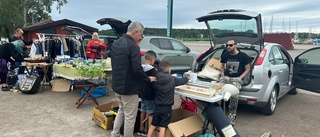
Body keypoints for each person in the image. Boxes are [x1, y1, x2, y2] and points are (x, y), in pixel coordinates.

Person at [110, 22, 156, 137]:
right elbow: (137, 68)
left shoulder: (116, 44)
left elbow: (114, 64)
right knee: (130, 117)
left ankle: (115, 134)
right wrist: (147, 79)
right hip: (129, 88)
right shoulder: (133, 46)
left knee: (121, 110)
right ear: (135, 32)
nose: (140, 37)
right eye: (140, 34)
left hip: (116, 85)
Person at [147, 60, 189, 137]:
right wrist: (187, 77)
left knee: (153, 124)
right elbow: (182, 80)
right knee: (163, 127)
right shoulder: (172, 79)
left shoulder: (156, 79)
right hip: (167, 108)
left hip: (157, 106)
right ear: (169, 70)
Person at [219, 39, 251, 125]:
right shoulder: (225, 55)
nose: (228, 47)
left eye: (230, 45)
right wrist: (222, 75)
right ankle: (217, 113)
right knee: (217, 91)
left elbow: (248, 69)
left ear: (236, 45)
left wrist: (240, 78)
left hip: (236, 78)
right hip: (226, 77)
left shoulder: (243, 56)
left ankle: (232, 115)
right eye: (227, 45)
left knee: (234, 95)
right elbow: (222, 66)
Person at [137, 50, 158, 136]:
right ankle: (146, 129)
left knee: (143, 110)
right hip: (150, 94)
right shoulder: (153, 70)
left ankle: (141, 128)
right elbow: (155, 83)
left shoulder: (140, 68)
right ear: (152, 59)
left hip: (142, 94)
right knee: (149, 111)